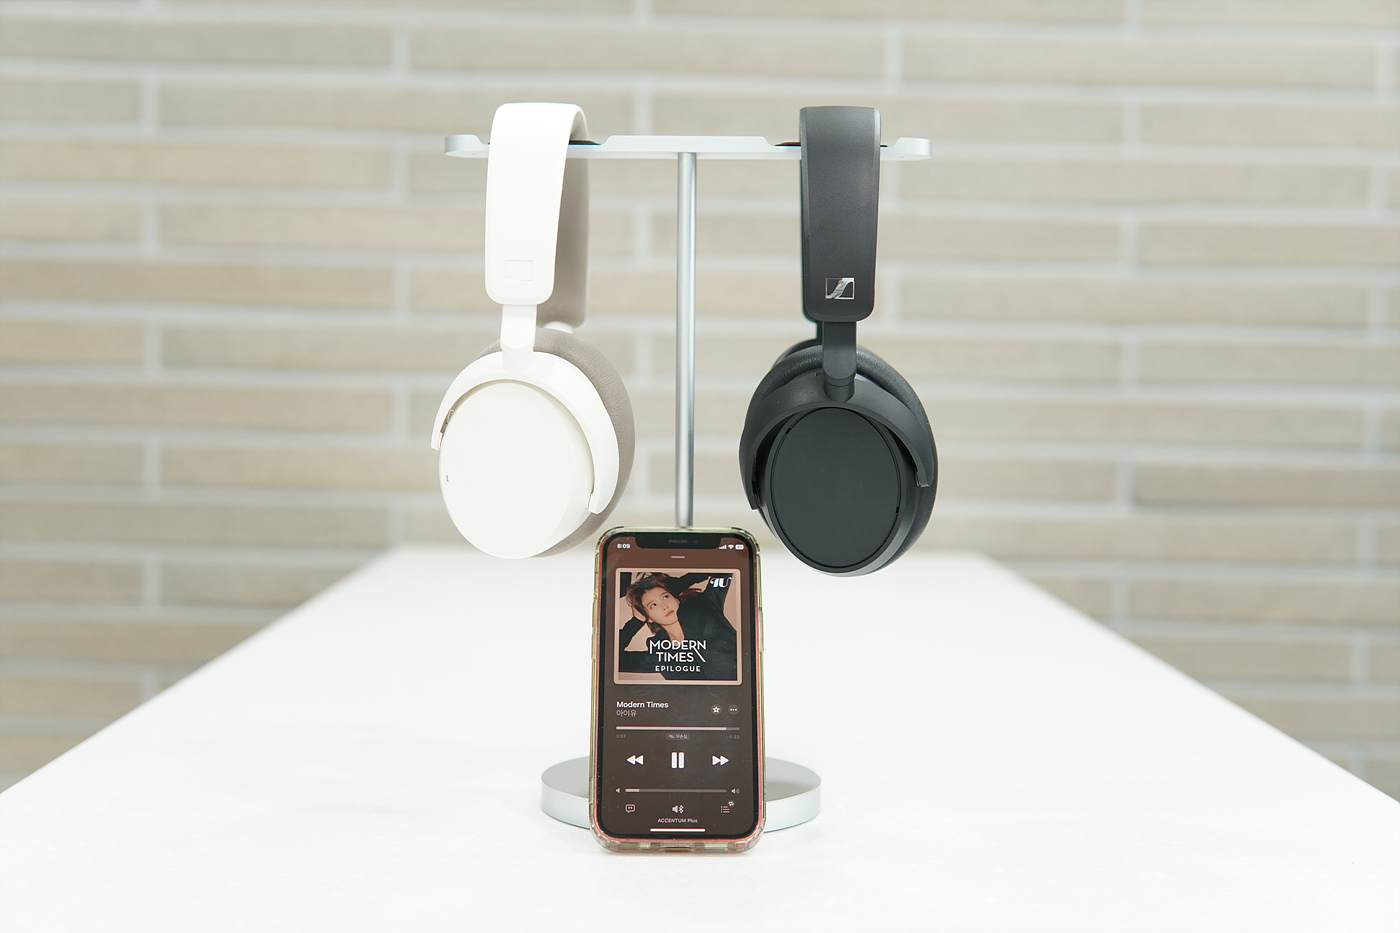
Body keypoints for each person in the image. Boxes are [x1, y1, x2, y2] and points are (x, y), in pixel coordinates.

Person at [617, 571, 737, 681]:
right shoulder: (660, 654)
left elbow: (723, 570)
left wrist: (680, 584)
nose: (664, 606)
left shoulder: (706, 605)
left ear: (676, 599)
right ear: (649, 617)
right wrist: (636, 622)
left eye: (666, 597)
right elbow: (615, 660)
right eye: (653, 605)